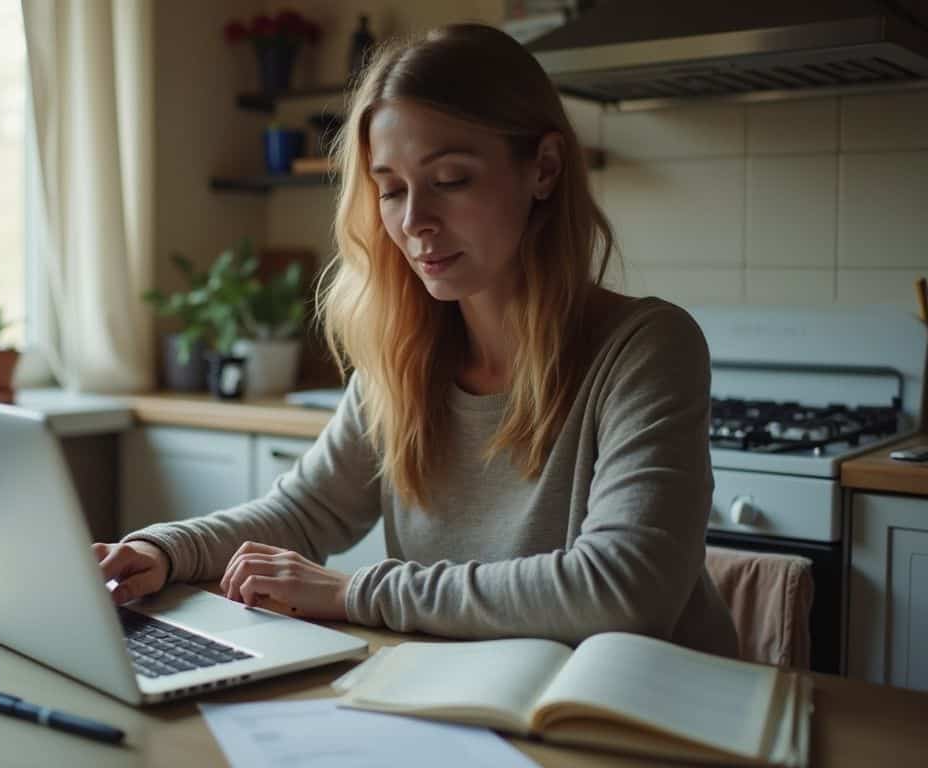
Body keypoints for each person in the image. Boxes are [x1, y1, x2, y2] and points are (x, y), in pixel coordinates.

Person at [94, 23, 738, 656]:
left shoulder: (648, 347)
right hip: (479, 704)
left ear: (543, 169)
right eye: (391, 189)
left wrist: (354, 593)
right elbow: (302, 513)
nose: (414, 221)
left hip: (648, 717)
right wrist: (162, 550)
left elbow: (626, 590)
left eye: (451, 180)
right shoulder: (402, 357)